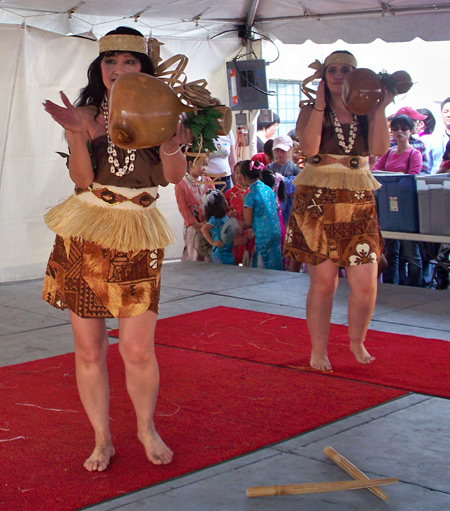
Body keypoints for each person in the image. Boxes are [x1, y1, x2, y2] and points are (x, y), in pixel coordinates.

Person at [42, 27, 193, 471]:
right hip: (87, 228)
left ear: (144, 68)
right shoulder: (87, 113)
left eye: (130, 61)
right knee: (89, 348)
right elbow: (82, 181)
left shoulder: (164, 111)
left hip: (138, 230)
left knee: (137, 349)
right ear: (100, 68)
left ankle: (146, 427)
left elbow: (172, 176)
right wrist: (75, 133)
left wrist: (170, 146)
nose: (119, 70)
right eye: (111, 62)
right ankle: (102, 438)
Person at [283, 50, 392, 371]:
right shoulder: (311, 109)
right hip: (318, 199)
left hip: (358, 198)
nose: (338, 75)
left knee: (366, 280)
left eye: (346, 70)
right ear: (324, 74)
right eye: (332, 70)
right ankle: (319, 350)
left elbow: (380, 149)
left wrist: (380, 108)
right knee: (324, 282)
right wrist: (319, 102)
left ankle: (357, 341)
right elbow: (310, 148)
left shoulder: (366, 110)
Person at [372, 115, 423, 287]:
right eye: (396, 129)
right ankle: (389, 285)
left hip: (406, 207)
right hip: (387, 206)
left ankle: (416, 287)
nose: (399, 132)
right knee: (390, 251)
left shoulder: (414, 154)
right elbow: (374, 170)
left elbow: (413, 177)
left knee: (410, 252)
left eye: (404, 129)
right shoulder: (387, 153)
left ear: (411, 131)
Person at [241, 160, 283, 270]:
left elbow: (248, 221)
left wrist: (243, 203)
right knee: (275, 261)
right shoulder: (268, 189)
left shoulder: (250, 195)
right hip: (276, 231)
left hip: (263, 234)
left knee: (263, 265)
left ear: (244, 177)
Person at [175, 154, 214, 261]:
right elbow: (183, 208)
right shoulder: (181, 184)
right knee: (193, 252)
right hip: (193, 226)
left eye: (207, 165)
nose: (205, 168)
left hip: (208, 223)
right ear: (191, 164)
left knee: (208, 252)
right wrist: (196, 224)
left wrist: (209, 221)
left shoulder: (208, 180)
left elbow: (214, 202)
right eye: (202, 165)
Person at [224, 161, 255, 265]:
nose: (239, 175)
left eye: (242, 173)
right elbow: (223, 212)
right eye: (236, 172)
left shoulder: (252, 192)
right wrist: (229, 215)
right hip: (236, 231)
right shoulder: (229, 193)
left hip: (250, 231)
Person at [265, 134, 300, 225]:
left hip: (290, 209)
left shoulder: (295, 168)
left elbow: (300, 189)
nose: (280, 154)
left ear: (290, 150)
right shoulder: (269, 168)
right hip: (274, 208)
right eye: (277, 150)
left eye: (283, 151)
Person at [390, 107, 429, 174]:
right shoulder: (388, 145)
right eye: (416, 121)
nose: (418, 124)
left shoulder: (419, 144)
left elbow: (425, 169)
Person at [201, 189, 235, 265]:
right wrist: (213, 242)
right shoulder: (215, 220)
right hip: (220, 252)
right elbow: (204, 229)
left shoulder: (225, 217)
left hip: (228, 250)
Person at [427, 98, 450, 174]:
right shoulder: (432, 140)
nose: (449, 115)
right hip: (436, 183)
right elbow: (427, 167)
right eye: (446, 112)